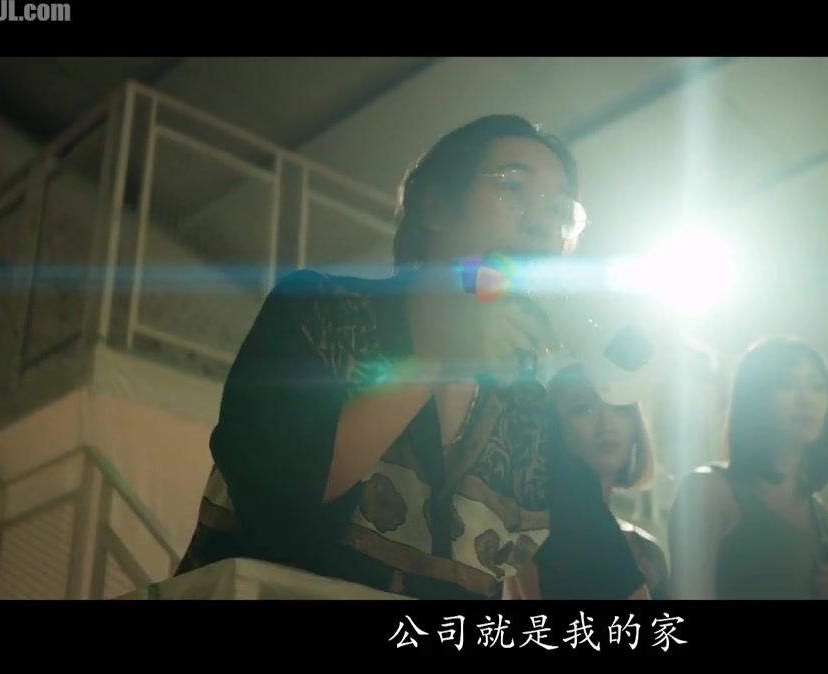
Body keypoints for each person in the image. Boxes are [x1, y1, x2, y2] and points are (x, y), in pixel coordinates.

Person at [174, 115, 646, 600]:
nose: (542, 223)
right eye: (513, 186)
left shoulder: (527, 410)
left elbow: (610, 581)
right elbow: (278, 506)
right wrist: (440, 360)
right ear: (434, 205)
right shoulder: (320, 311)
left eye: (559, 208)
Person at [668, 337, 828, 599]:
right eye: (786, 384)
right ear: (754, 397)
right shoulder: (709, 492)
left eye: (817, 387)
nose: (806, 400)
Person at [505, 363, 669, 599]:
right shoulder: (532, 534)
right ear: (554, 426)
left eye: (620, 409)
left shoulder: (647, 550)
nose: (607, 425)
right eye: (584, 409)